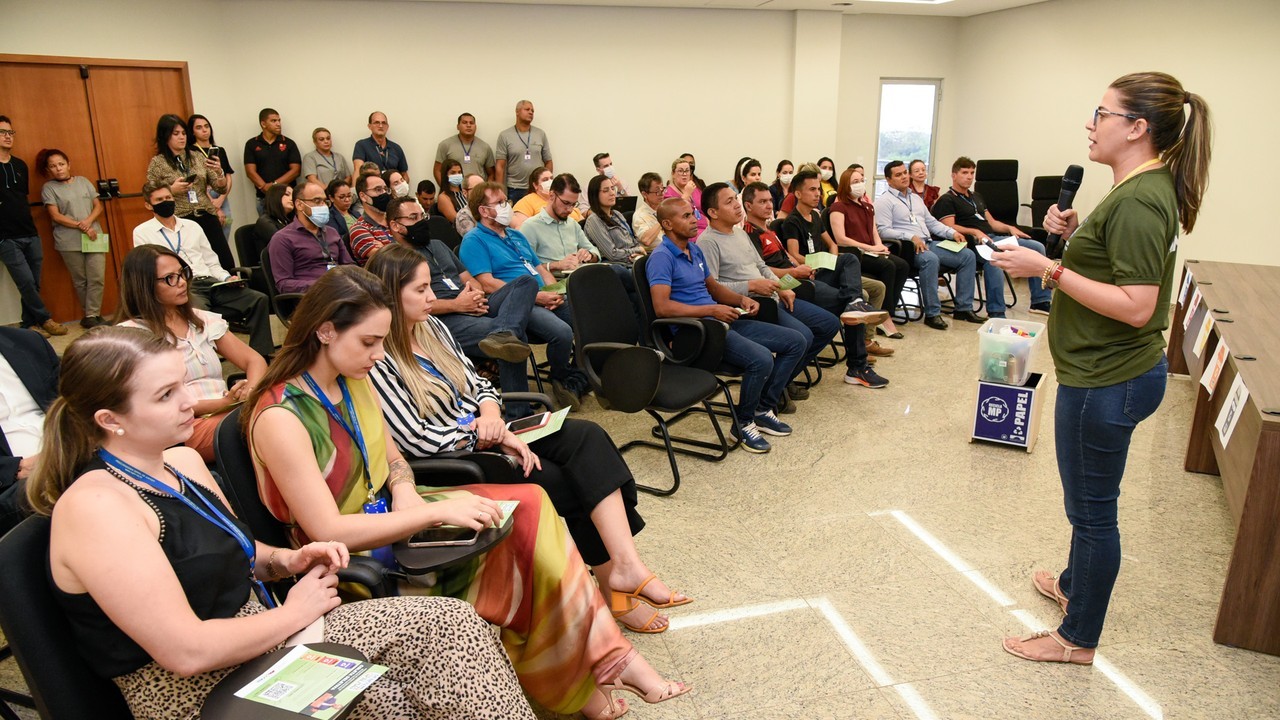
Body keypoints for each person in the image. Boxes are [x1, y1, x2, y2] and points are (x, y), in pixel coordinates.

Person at [243, 267, 689, 719]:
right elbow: (328, 528)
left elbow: (394, 456)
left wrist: (404, 491)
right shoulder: (282, 416)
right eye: (369, 342)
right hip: (351, 557)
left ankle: (602, 662)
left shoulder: (349, 379)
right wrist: (430, 512)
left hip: (391, 519)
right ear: (323, 331)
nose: (379, 355)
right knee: (519, 550)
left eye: (381, 341)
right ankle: (593, 672)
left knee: (530, 507)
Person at [30, 326, 535, 720]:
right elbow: (186, 652)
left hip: (262, 637)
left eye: (182, 384)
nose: (191, 401)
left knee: (448, 625)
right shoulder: (97, 508)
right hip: (197, 693)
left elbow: (236, 551)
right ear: (109, 420)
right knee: (386, 690)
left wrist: (284, 559)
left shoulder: (179, 462)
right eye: (165, 395)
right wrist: (296, 611)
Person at [994, 72, 1211, 666]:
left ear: (1137, 128)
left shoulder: (1141, 199)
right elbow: (1119, 266)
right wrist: (1077, 234)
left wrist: (1050, 268)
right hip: (1107, 372)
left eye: (1102, 113)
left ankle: (1076, 639)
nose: (1091, 124)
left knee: (1092, 513)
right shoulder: (1140, 186)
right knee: (1088, 502)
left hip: (1106, 381)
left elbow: (1139, 308)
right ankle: (1073, 584)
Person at [368, 245, 691, 633]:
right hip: (457, 456)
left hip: (488, 433)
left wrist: (491, 417)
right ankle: (614, 586)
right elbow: (415, 439)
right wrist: (481, 434)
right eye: (421, 290)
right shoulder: (377, 355)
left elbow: (479, 384)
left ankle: (626, 566)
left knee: (588, 437)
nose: (434, 297)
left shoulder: (431, 327)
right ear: (389, 293)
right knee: (563, 481)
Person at [648, 198, 806, 453]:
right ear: (667, 224)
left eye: (693, 214)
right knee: (761, 359)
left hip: (719, 322)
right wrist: (711, 309)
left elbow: (714, 288)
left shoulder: (693, 249)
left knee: (795, 341)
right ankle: (742, 424)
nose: (693, 220)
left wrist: (741, 299)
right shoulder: (661, 257)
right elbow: (662, 308)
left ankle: (761, 408)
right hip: (696, 333)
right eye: (686, 216)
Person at [117, 245, 266, 461]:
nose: (182, 282)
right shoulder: (133, 336)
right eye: (170, 278)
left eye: (183, 273)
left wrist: (250, 391)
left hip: (230, 411)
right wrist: (224, 404)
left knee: (284, 411)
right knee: (267, 427)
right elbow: (157, 403)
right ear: (144, 286)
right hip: (185, 425)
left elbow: (254, 360)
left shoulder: (200, 319)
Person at [698, 183, 841, 398]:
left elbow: (762, 267)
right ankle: (770, 394)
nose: (737, 206)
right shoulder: (708, 242)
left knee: (829, 324)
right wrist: (752, 285)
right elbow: (713, 287)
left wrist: (781, 287)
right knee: (803, 336)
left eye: (735, 199)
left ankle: (781, 381)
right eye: (729, 202)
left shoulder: (739, 233)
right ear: (713, 212)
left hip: (773, 295)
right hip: (752, 305)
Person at [459, 182, 591, 411]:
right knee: (562, 332)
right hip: (515, 304)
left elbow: (540, 270)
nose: (506, 206)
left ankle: (575, 375)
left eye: (506, 201)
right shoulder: (474, 240)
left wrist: (556, 292)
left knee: (589, 319)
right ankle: (561, 377)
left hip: (543, 296)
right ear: (483, 210)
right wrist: (537, 296)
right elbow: (487, 284)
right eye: (499, 202)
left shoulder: (515, 235)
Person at [133, 182, 275, 357]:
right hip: (184, 286)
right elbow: (148, 270)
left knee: (258, 299)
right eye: (160, 200)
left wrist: (226, 278)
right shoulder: (142, 232)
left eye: (168, 198)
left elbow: (211, 261)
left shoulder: (192, 226)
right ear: (149, 205)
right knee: (198, 314)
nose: (166, 202)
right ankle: (207, 360)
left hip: (211, 282)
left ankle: (260, 357)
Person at [933, 156, 1053, 317]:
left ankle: (1040, 301)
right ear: (954, 175)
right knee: (994, 259)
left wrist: (1011, 228)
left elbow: (992, 222)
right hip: (973, 243)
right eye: (964, 172)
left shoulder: (976, 197)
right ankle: (996, 311)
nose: (969, 176)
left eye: (972, 172)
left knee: (1037, 247)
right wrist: (974, 231)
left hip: (993, 238)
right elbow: (949, 226)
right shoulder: (947, 199)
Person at [875, 160, 982, 330]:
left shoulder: (915, 198)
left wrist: (952, 233)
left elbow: (932, 223)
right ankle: (932, 314)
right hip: (907, 249)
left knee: (967, 256)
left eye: (904, 173)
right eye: (898, 175)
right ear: (888, 180)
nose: (904, 177)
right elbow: (883, 231)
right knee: (930, 259)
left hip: (929, 243)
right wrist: (911, 237)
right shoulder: (884, 201)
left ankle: (963, 308)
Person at [828, 166, 910, 338]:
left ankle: (890, 311)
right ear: (845, 185)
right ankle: (884, 318)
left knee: (902, 265)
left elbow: (874, 233)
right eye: (854, 182)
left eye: (861, 181)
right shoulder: (838, 207)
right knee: (888, 267)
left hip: (871, 250)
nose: (859, 185)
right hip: (853, 253)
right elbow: (841, 239)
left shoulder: (867, 207)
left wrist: (880, 247)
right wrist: (871, 248)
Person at [146, 114, 234, 272]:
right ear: (165, 136)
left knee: (224, 261)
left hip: (206, 214)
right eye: (176, 134)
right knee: (195, 266)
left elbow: (220, 187)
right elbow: (151, 192)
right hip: (181, 218)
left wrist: (219, 172)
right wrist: (171, 190)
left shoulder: (198, 157)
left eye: (184, 133)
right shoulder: (157, 163)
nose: (181, 137)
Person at [37, 148, 108, 328]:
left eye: (61, 164)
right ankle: (91, 316)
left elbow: (97, 206)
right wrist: (82, 226)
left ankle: (92, 314)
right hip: (68, 240)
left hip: (94, 235)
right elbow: (56, 216)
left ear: (69, 164)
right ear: (48, 170)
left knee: (97, 276)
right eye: (53, 166)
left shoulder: (83, 181)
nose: (58, 169)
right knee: (81, 280)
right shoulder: (49, 188)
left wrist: (88, 223)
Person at [0, 325, 57, 535]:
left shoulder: (29, 342)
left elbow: (74, 402)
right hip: (12, 486)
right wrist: (16, 468)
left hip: (65, 454)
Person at [268, 181, 355, 294]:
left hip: (340, 291)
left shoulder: (332, 232)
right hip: (310, 297)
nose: (323, 206)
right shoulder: (282, 239)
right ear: (299, 205)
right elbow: (284, 284)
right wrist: (322, 285)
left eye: (325, 201)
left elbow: (349, 265)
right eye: (317, 201)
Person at [520, 174, 600, 271]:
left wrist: (590, 256)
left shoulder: (572, 224)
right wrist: (555, 265)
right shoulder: (530, 227)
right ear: (552, 195)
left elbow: (594, 251)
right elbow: (524, 267)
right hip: (552, 282)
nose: (570, 210)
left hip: (576, 278)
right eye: (566, 203)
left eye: (573, 204)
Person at [243, 108, 301, 214]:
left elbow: (296, 170)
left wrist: (273, 186)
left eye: (279, 120)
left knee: (292, 229)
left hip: (288, 197)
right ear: (263, 124)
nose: (278, 124)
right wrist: (265, 188)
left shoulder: (289, 143)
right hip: (264, 198)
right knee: (267, 229)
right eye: (274, 121)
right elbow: (250, 172)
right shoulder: (252, 144)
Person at [187, 114, 234, 242]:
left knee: (227, 226)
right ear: (192, 131)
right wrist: (214, 205)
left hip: (221, 195)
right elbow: (196, 182)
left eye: (206, 126)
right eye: (199, 127)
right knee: (211, 236)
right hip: (204, 195)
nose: (204, 130)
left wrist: (221, 199)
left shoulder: (219, 150)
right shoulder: (190, 152)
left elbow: (228, 177)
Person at [495, 100, 552, 204]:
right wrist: (499, 191)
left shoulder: (540, 134)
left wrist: (547, 183)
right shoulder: (505, 135)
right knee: (517, 219)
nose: (531, 112)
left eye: (533, 111)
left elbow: (548, 161)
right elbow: (500, 166)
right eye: (527, 109)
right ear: (517, 111)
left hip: (537, 188)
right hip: (515, 188)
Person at [584, 175, 645, 263]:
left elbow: (633, 241)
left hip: (632, 261)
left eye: (613, 188)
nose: (612, 193)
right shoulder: (594, 220)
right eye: (606, 190)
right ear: (595, 195)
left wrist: (639, 253)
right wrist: (636, 251)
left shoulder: (617, 214)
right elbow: (612, 254)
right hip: (615, 266)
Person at [434, 112, 494, 185]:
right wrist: (445, 189)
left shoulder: (485, 147)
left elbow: (492, 173)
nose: (468, 125)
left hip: (478, 192)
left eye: (471, 123)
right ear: (458, 126)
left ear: (475, 126)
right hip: (454, 191)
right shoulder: (446, 145)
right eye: (464, 123)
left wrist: (486, 190)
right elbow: (437, 170)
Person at [512, 166, 581, 229]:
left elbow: (582, 221)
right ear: (535, 185)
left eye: (551, 178)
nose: (550, 182)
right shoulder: (527, 201)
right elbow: (521, 228)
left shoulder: (563, 199)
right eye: (545, 180)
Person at [349, 174, 395, 266]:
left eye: (386, 189)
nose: (384, 193)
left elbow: (415, 248)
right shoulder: (359, 229)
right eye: (378, 190)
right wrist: (400, 245)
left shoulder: (396, 220)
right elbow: (387, 260)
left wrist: (386, 248)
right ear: (363, 196)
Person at [352, 111, 408, 185]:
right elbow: (357, 170)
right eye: (376, 122)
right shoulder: (362, 145)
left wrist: (402, 188)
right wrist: (356, 193)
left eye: (383, 123)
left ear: (387, 127)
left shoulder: (396, 148)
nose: (381, 126)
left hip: (393, 191)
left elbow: (404, 174)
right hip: (372, 191)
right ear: (369, 126)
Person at [663, 157, 706, 233]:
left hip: (705, 226)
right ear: (673, 173)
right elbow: (674, 214)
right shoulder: (668, 193)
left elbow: (704, 209)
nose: (684, 174)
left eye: (687, 171)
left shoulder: (694, 188)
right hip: (686, 231)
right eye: (680, 171)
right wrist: (687, 194)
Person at [630, 172, 665, 251]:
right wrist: (662, 218)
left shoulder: (664, 208)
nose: (662, 193)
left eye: (662, 188)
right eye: (657, 191)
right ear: (644, 194)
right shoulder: (639, 216)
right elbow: (646, 240)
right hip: (656, 254)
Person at [254, 183, 294, 250]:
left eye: (293, 196)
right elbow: (282, 245)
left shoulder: (289, 220)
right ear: (275, 196)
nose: (292, 198)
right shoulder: (265, 222)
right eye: (287, 194)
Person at [436, 159, 469, 223]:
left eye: (459, 172)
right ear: (446, 175)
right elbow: (456, 220)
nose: (457, 175)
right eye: (453, 173)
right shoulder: (443, 197)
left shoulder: (466, 191)